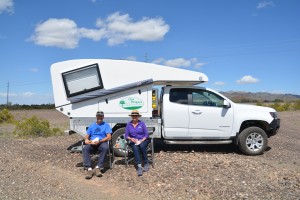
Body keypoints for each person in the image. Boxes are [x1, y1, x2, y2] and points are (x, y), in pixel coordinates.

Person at [82, 111, 112, 179]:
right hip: (92, 143)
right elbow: (87, 135)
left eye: (101, 116)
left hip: (101, 142)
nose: (99, 117)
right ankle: (89, 169)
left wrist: (100, 141)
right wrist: (86, 140)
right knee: (85, 148)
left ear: (103, 117)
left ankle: (98, 167)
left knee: (105, 147)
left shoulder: (106, 125)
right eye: (98, 116)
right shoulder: (92, 125)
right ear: (96, 117)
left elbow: (109, 137)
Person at [125, 110, 149, 176]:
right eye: (133, 116)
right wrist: (131, 138)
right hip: (133, 141)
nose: (134, 117)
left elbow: (146, 134)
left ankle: (146, 162)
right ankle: (139, 166)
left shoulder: (142, 123)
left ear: (138, 116)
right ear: (131, 116)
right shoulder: (128, 124)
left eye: (136, 115)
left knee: (141, 146)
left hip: (142, 140)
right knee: (135, 148)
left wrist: (142, 140)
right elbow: (126, 135)